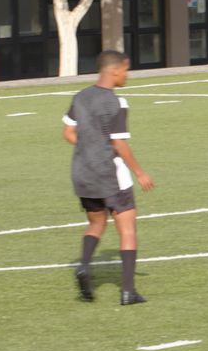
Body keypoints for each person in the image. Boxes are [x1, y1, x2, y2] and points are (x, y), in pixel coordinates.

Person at [62, 50, 155, 305]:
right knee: (127, 230)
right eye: (126, 70)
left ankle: (83, 266)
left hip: (82, 173)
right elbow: (119, 144)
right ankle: (128, 291)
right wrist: (139, 172)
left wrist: (90, 148)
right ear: (114, 70)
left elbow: (68, 132)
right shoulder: (117, 103)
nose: (127, 75)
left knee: (96, 224)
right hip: (111, 175)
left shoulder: (80, 97)